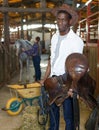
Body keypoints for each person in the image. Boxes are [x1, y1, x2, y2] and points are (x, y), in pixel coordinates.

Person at [40, 4, 84, 130]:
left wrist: (73, 87)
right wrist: (45, 78)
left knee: (68, 118)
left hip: (67, 82)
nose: (60, 22)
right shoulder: (54, 37)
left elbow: (78, 67)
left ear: (70, 21)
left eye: (63, 19)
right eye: (58, 19)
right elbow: (51, 60)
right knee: (52, 114)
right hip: (53, 81)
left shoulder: (76, 41)